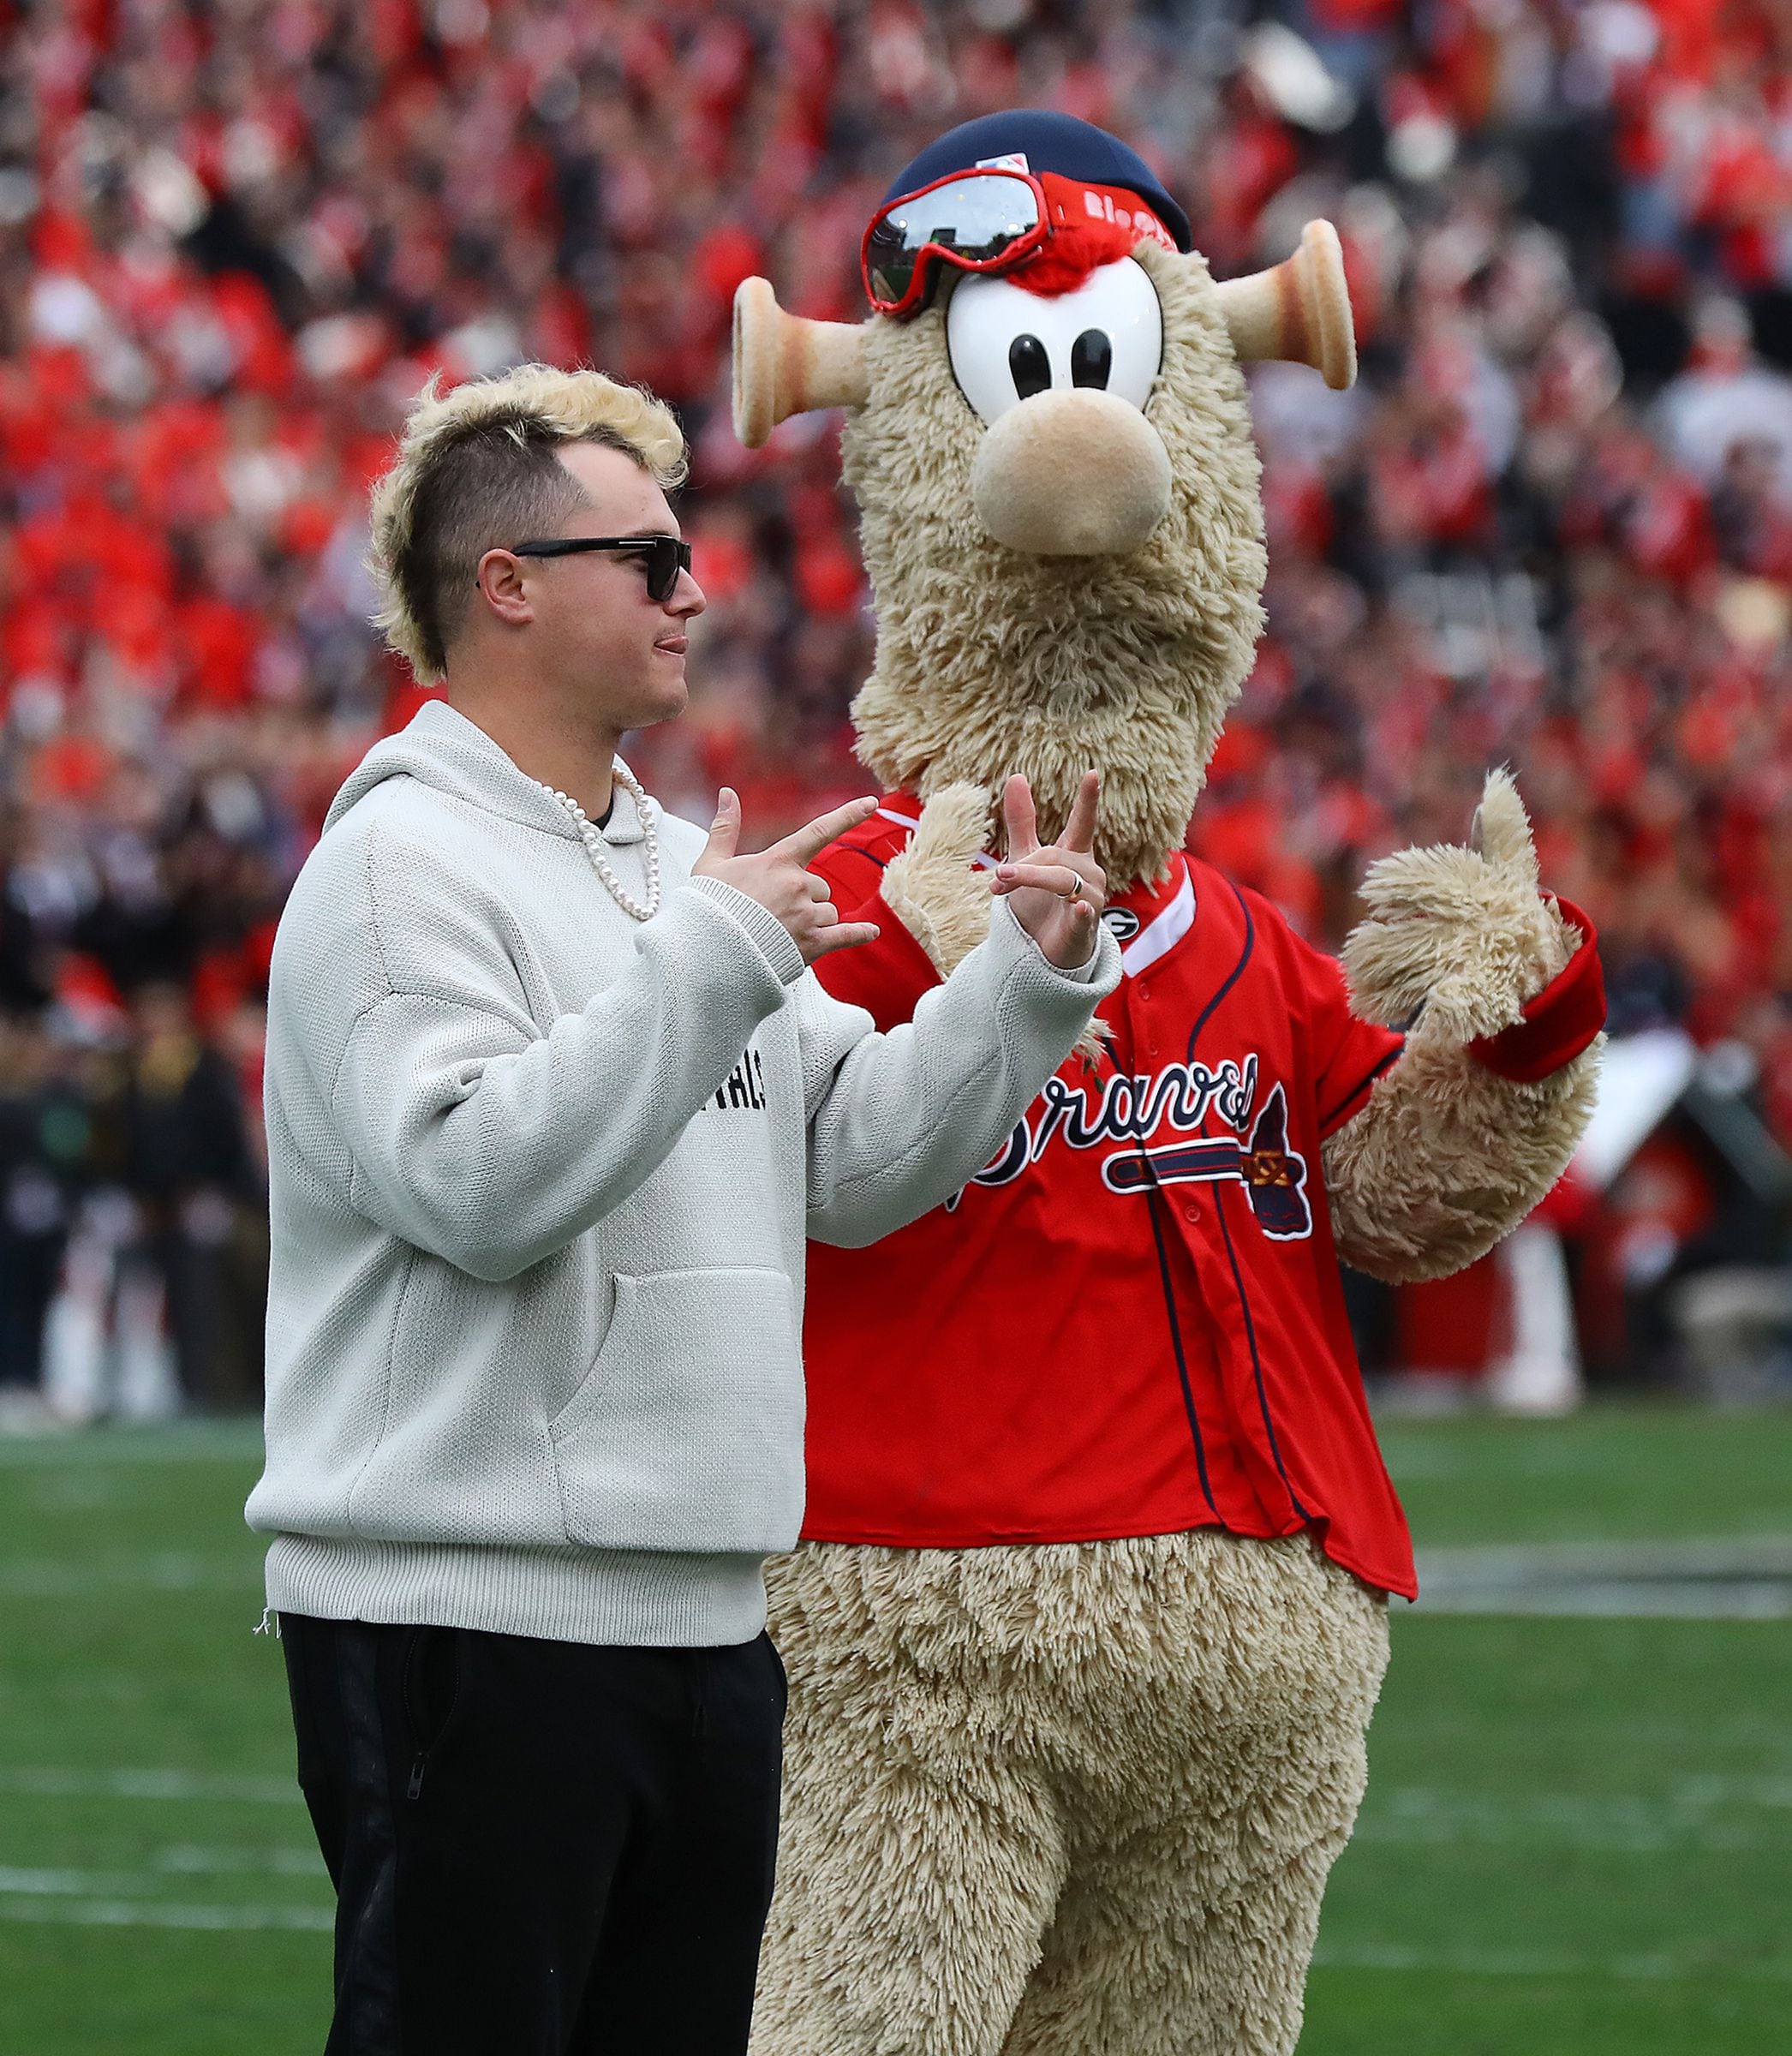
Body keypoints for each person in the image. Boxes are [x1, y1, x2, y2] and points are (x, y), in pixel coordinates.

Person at [243, 361, 1122, 2056]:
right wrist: (712, 959)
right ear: (505, 587)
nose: (692, 588)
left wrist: (1023, 981)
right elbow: (478, 1185)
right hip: (460, 1615)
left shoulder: (665, 861)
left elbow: (852, 1165)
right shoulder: (394, 868)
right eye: (645, 559)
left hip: (709, 1618)